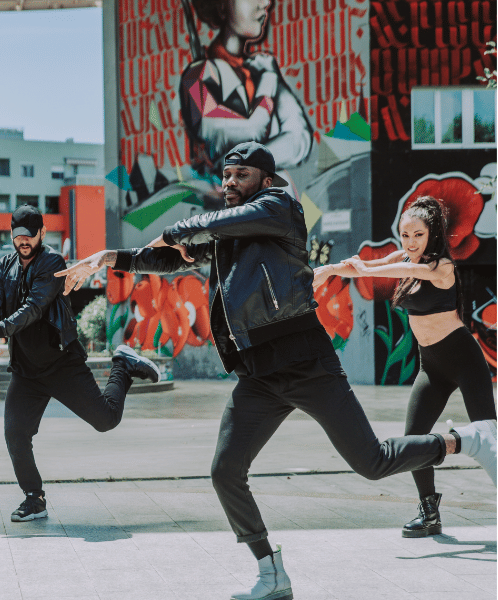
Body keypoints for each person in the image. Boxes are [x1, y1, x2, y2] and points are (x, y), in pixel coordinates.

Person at [57, 144, 496, 600]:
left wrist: (174, 229)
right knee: (225, 470)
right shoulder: (229, 233)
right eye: (225, 175)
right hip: (258, 373)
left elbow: (201, 227)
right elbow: (172, 257)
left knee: (372, 462)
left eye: (240, 174)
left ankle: (463, 440)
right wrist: (110, 257)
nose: (228, 182)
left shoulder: (280, 206)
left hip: (306, 359)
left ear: (265, 179)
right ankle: (271, 572)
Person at [314, 195, 497, 539]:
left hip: (463, 360)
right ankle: (429, 513)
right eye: (405, 235)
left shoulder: (441, 266)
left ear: (432, 235)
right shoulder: (403, 257)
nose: (410, 243)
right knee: (415, 439)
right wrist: (330, 270)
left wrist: (371, 268)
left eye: (418, 235)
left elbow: (408, 270)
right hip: (432, 367)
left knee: (490, 439)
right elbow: (369, 264)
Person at [0, 205, 161, 523]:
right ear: (11, 235)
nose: (24, 242)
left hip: (61, 363)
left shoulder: (52, 263)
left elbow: (35, 306)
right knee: (15, 434)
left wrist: (2, 329)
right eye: (18, 236)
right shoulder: (4, 266)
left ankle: (123, 365)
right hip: (27, 371)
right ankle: (35, 499)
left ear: (42, 234)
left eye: (30, 236)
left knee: (106, 420)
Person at [180, 0, 313, 179]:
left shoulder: (263, 70)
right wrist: (267, 86)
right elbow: (244, 133)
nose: (265, 3)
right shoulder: (194, 77)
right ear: (221, 7)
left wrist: (244, 162)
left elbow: (299, 141)